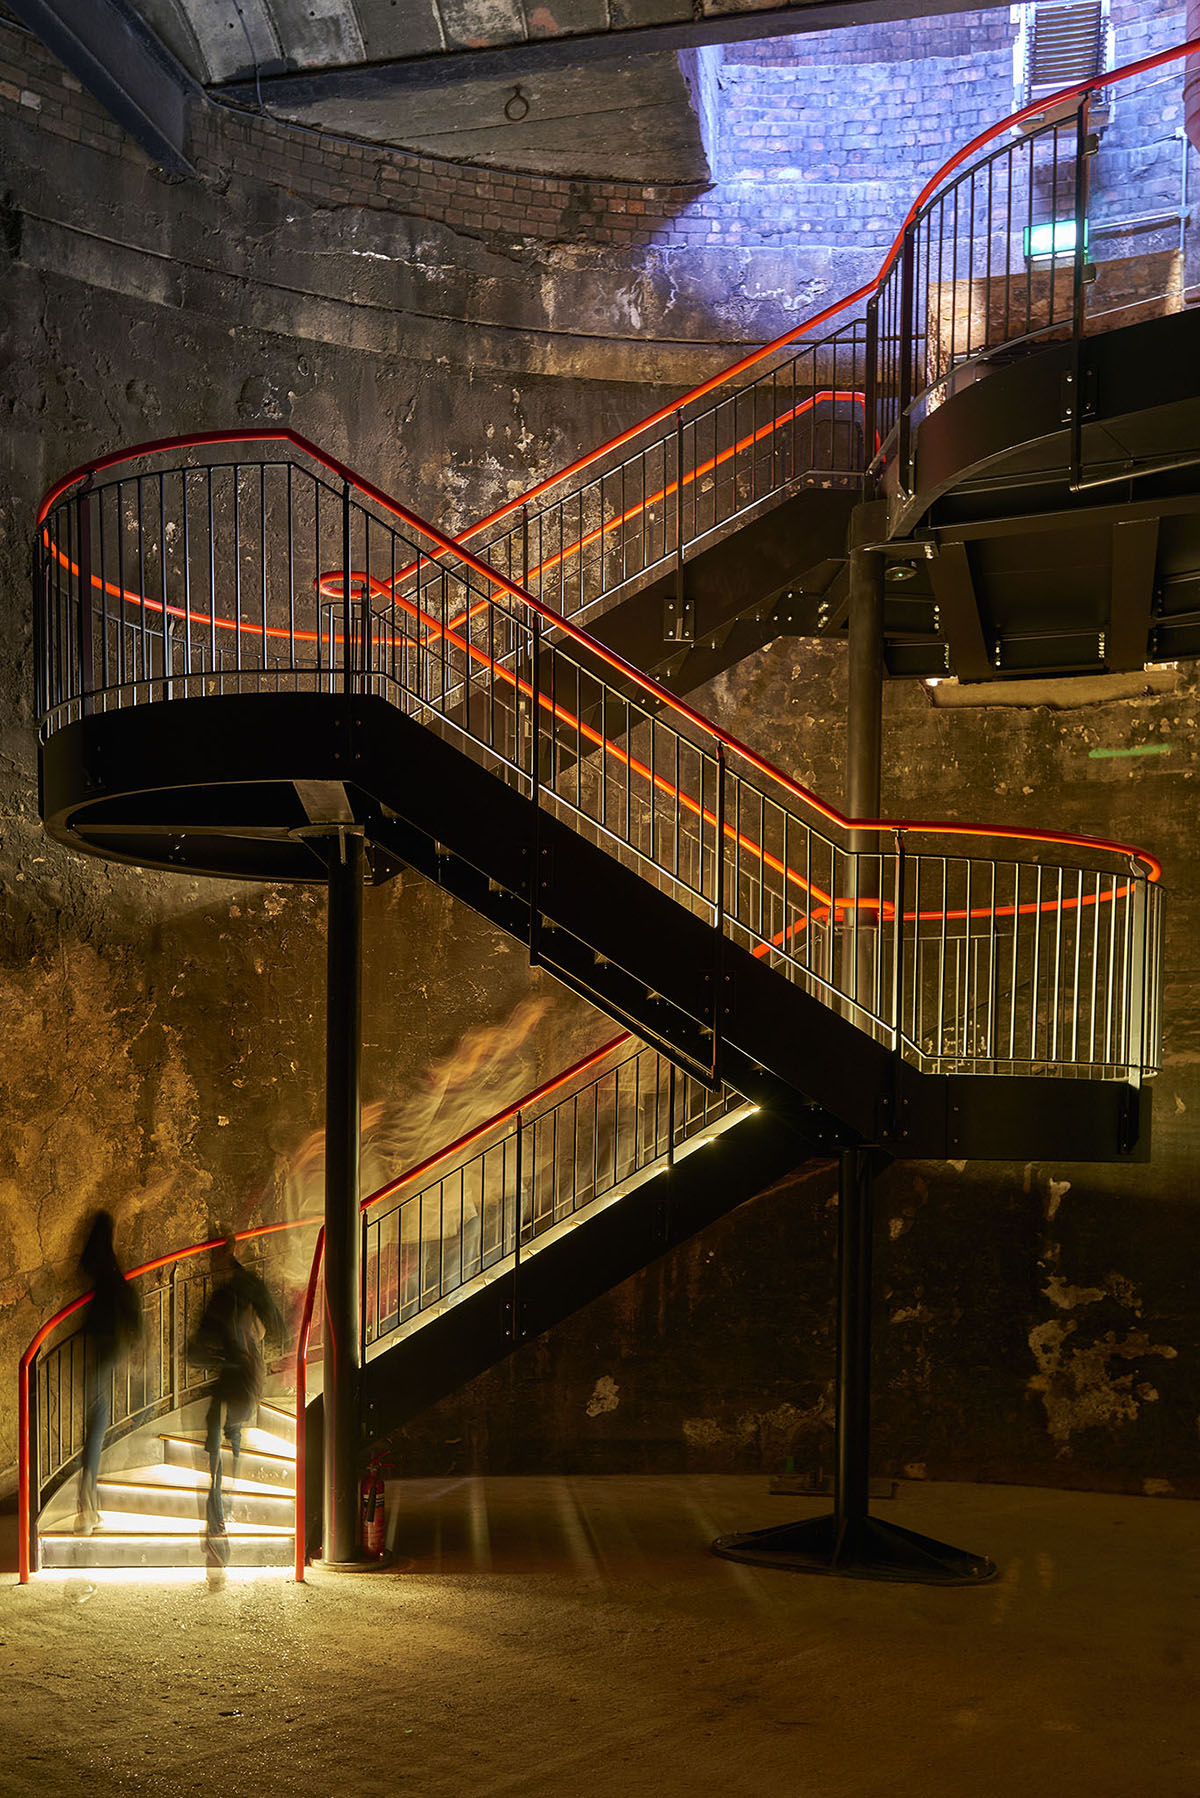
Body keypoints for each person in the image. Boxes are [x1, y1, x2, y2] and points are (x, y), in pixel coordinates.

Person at [191, 1237, 282, 1542]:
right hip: (242, 1378)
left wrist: (214, 1355)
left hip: (237, 1379)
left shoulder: (230, 1291)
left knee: (221, 1438)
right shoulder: (243, 1287)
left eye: (215, 1256)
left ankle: (220, 1511)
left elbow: (197, 1349)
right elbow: (276, 1323)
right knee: (226, 1436)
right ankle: (222, 1508)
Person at [76, 1210, 142, 1535]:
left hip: (98, 1353)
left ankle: (88, 1508)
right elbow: (132, 1315)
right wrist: (135, 1345)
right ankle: (87, 1508)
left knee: (96, 1421)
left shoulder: (99, 1274)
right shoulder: (114, 1276)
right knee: (98, 1423)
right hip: (107, 1353)